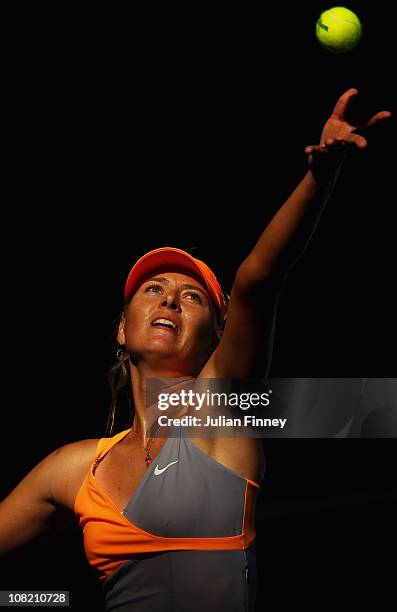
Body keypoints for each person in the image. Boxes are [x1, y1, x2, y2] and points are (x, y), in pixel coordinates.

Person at [0, 89, 391, 611]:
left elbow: (258, 280)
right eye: (153, 289)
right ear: (121, 329)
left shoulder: (217, 414)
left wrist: (319, 177)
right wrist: (40, 601)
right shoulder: (73, 469)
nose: (170, 299)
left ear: (215, 336)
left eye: (191, 297)